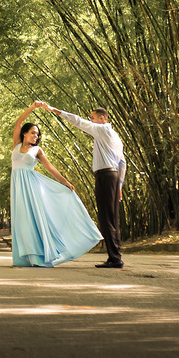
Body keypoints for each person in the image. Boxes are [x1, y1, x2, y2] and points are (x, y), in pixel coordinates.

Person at [9, 101, 102, 267]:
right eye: (32, 133)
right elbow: (18, 122)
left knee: (32, 220)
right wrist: (32, 108)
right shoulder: (16, 144)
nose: (36, 136)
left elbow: (50, 168)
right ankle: (24, 257)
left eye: (37, 134)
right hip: (17, 186)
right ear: (24, 133)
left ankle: (39, 256)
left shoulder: (37, 150)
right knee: (21, 220)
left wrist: (66, 182)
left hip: (31, 188)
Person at [43, 103, 126, 268]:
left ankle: (115, 258)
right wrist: (119, 186)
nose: (91, 121)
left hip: (104, 176)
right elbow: (123, 163)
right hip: (113, 176)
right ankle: (115, 256)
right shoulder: (115, 136)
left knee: (105, 218)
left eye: (93, 118)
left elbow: (78, 121)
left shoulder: (102, 130)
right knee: (112, 218)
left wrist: (55, 110)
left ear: (102, 119)